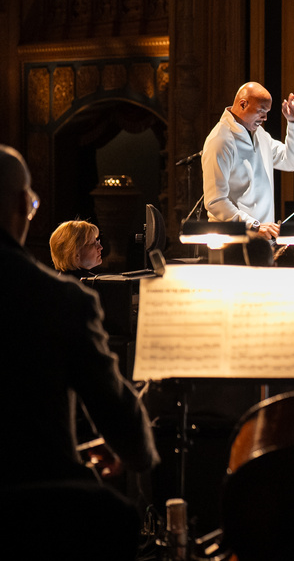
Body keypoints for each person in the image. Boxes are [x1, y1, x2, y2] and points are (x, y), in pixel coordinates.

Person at [0, 145, 159, 558]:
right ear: (23, 205)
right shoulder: (61, 300)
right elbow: (122, 421)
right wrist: (138, 449)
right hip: (37, 506)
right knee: (120, 519)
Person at [202, 82, 294, 240]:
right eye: (261, 111)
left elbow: (290, 161)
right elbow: (215, 201)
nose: (264, 118)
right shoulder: (220, 140)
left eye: (267, 112)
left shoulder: (259, 134)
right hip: (233, 241)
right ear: (243, 104)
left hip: (261, 240)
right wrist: (253, 225)